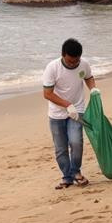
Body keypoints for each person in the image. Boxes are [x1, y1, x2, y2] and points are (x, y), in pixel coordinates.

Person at [43, 38, 96, 190]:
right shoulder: (52, 68)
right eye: (70, 61)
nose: (73, 64)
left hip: (77, 109)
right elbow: (47, 93)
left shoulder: (84, 64)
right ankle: (67, 177)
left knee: (76, 142)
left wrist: (93, 89)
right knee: (61, 148)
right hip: (57, 113)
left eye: (76, 61)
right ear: (63, 55)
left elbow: (89, 78)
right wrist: (67, 105)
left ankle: (76, 172)